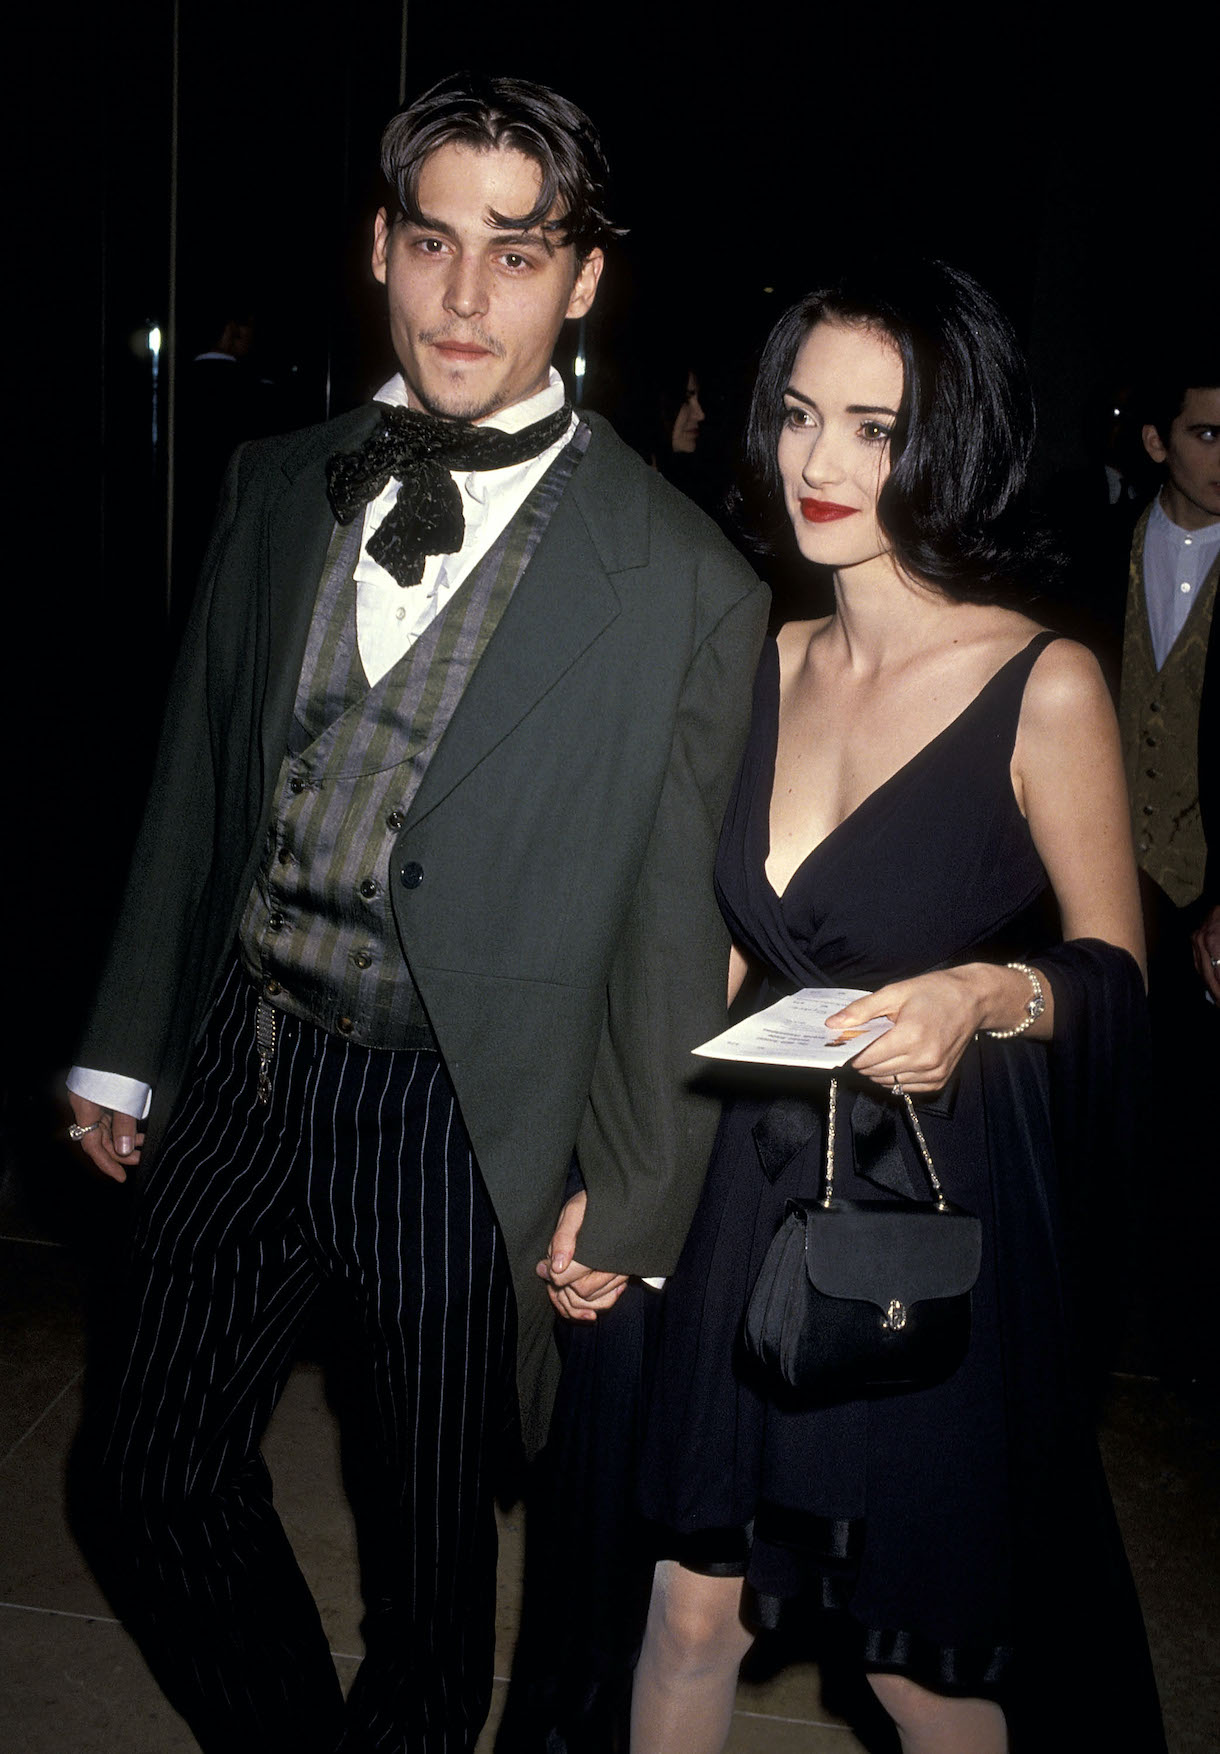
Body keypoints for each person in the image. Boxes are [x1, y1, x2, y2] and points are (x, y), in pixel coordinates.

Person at [65, 71, 767, 1754]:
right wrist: (120, 1040)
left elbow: (674, 922)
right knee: (140, 1475)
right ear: (379, 246)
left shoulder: (686, 585)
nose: (465, 297)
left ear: (585, 277)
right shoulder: (276, 476)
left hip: (467, 1114)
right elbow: (197, 781)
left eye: (518, 254)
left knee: (433, 1554)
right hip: (242, 1053)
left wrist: (637, 1176)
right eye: (434, 243)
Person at [632, 262, 1165, 1753]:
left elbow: (1113, 976)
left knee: (915, 1657)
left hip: (919, 1208)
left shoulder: (1039, 681)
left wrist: (985, 990)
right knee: (688, 1604)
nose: (821, 462)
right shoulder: (763, 657)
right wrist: (625, 1189)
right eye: (801, 415)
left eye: (875, 426)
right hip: (748, 1190)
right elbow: (727, 960)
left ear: (954, 442)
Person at [1116, 371, 1220, 1379]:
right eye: (1204, 433)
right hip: (1096, 887)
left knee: (1189, 1137)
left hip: (1201, 892)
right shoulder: (1085, 544)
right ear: (1155, 441)